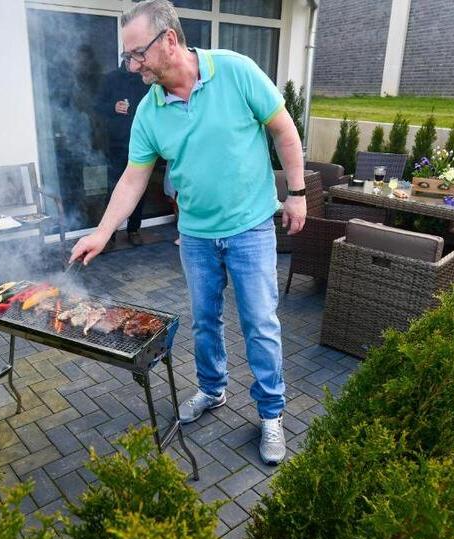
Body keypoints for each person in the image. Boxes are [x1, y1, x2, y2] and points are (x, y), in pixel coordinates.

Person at [70, 0, 307, 465]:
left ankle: (271, 413)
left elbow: (284, 130)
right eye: (128, 56)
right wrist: (102, 232)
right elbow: (132, 178)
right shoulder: (150, 110)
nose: (132, 64)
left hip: (251, 227)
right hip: (196, 236)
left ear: (170, 41)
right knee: (204, 321)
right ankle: (213, 390)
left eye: (137, 53)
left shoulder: (236, 72)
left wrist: (296, 193)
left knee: (259, 324)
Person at [96, 60, 151, 247]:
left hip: (142, 144)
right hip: (116, 144)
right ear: (125, 59)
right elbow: (96, 107)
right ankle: (109, 234)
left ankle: (134, 229)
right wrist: (113, 107)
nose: (135, 64)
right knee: (113, 188)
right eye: (131, 59)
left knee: (140, 189)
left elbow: (152, 108)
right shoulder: (110, 79)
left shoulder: (145, 80)